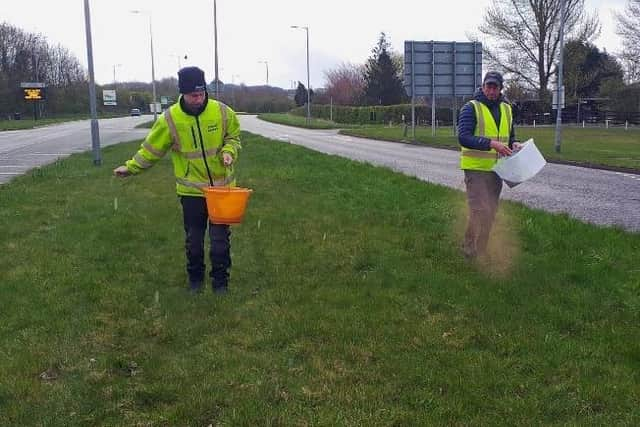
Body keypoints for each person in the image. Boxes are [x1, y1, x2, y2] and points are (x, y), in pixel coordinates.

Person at [114, 66, 241, 294]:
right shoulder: (170, 118)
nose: (198, 99)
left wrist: (229, 150)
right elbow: (152, 149)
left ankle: (220, 282)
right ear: (182, 93)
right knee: (194, 240)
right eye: (193, 95)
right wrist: (131, 168)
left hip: (222, 191)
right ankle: (195, 279)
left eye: (201, 94)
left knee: (220, 241)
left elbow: (233, 136)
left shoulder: (223, 112)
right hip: (191, 193)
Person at [457, 71, 522, 260]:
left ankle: (482, 248)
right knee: (479, 210)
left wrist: (514, 144)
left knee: (491, 212)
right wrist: (491, 144)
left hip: (497, 170)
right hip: (475, 169)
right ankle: (469, 248)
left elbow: (509, 137)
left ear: (501, 88)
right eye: (488, 86)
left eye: (495, 87)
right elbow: (463, 137)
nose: (491, 90)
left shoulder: (507, 109)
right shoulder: (471, 108)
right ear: (483, 86)